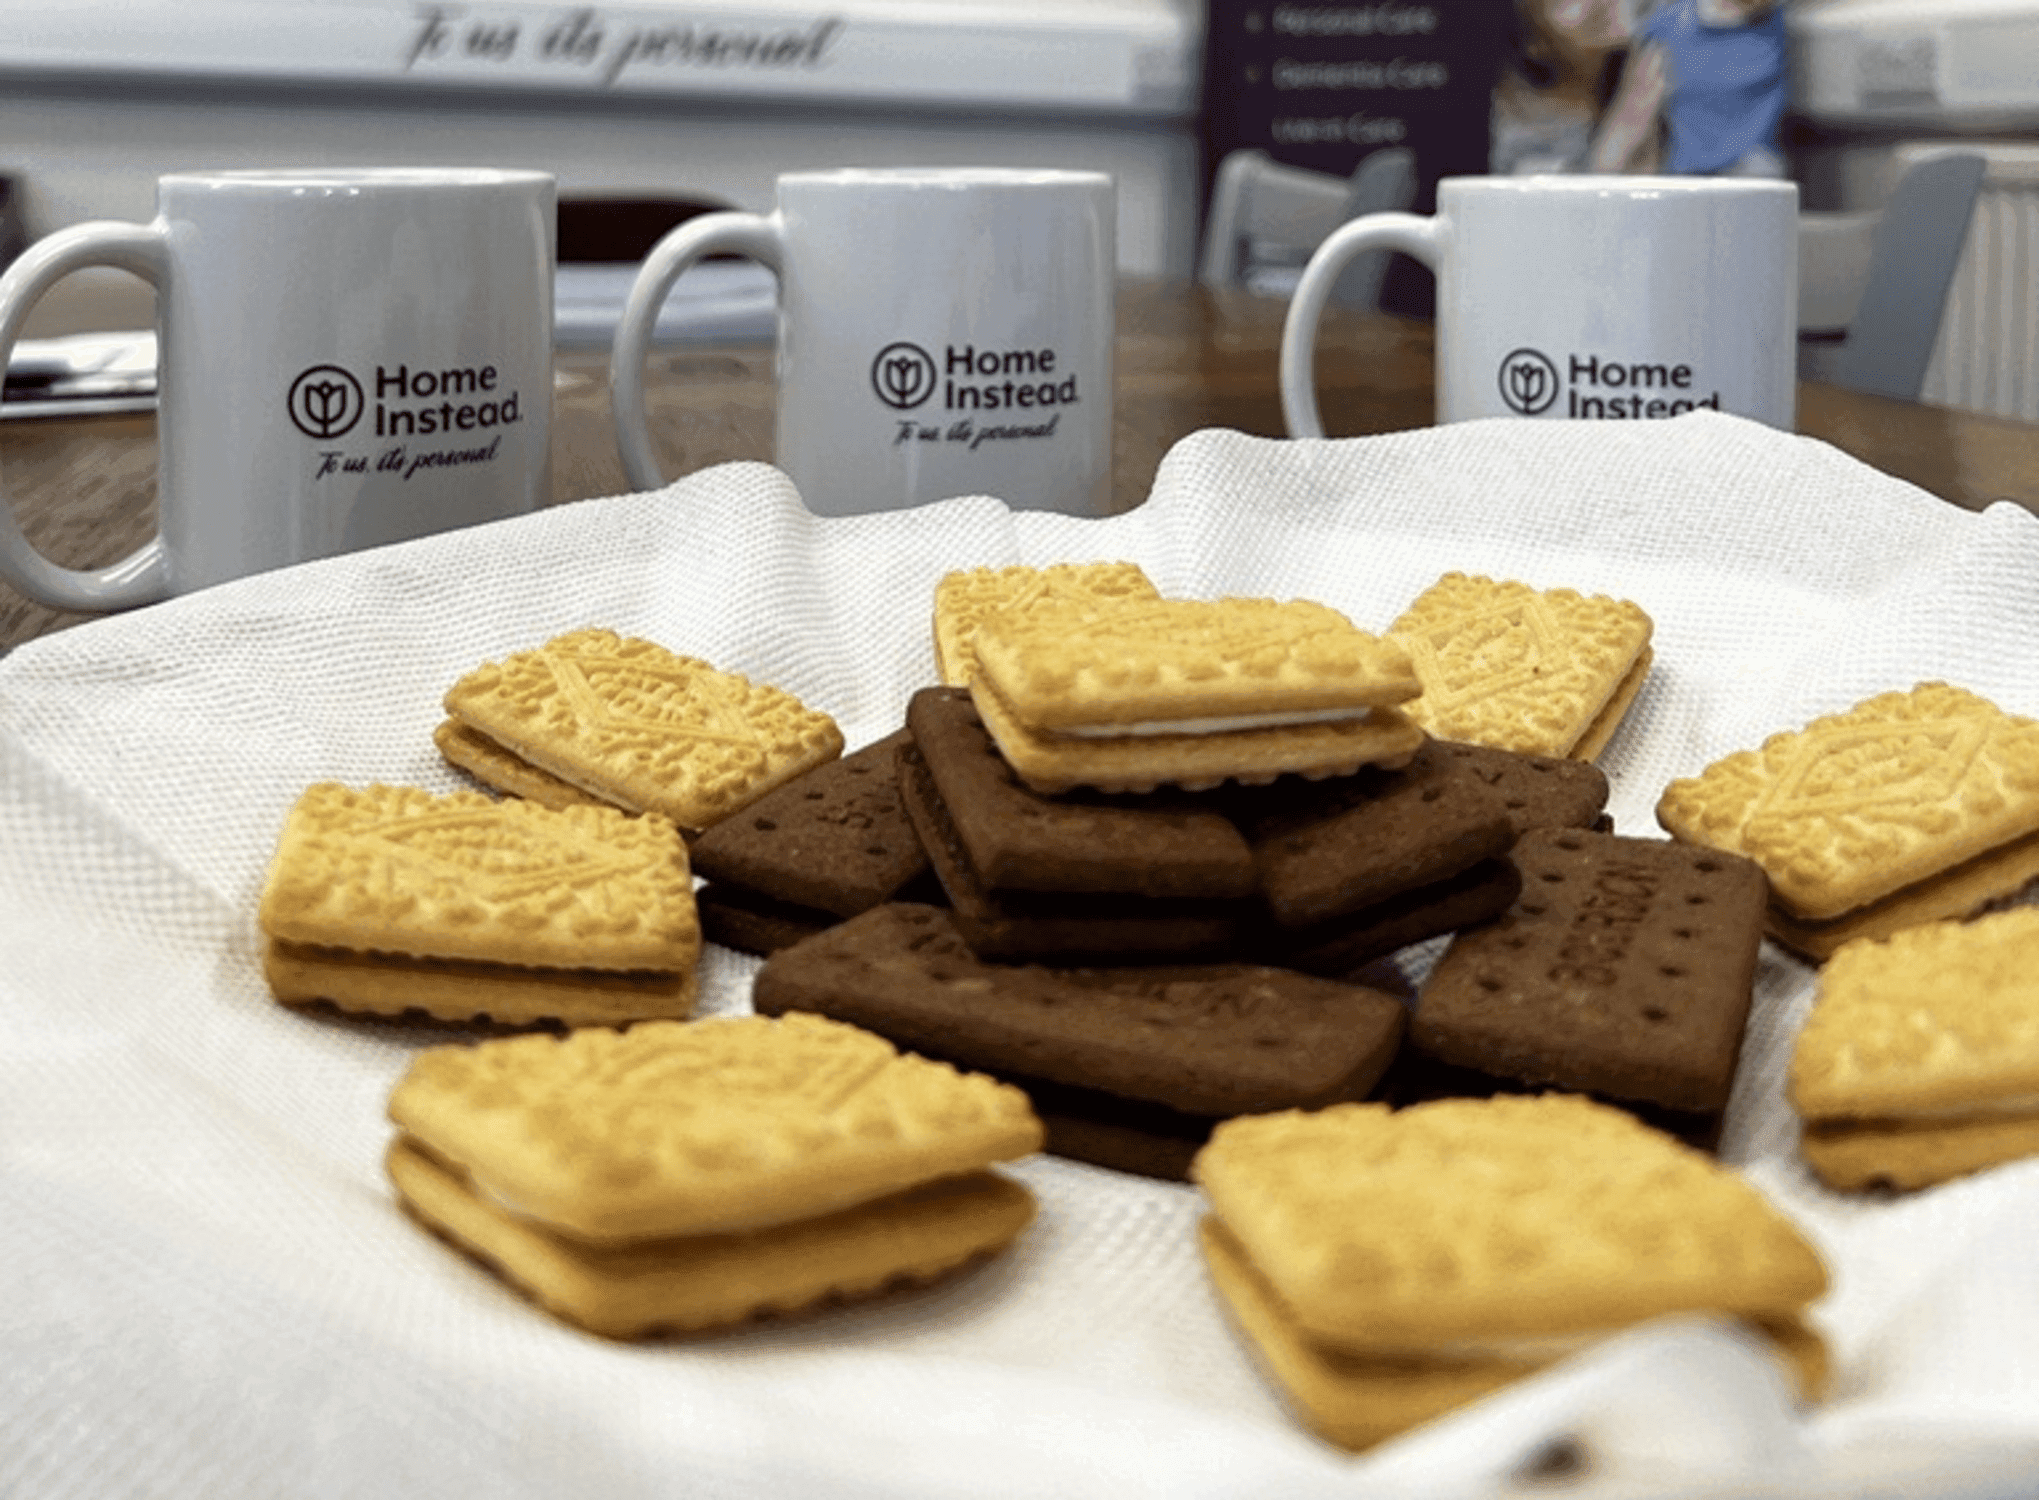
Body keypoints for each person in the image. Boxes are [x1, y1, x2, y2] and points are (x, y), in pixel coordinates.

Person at [1587, 0, 1789, 176]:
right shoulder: (1668, 27)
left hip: (1755, 171)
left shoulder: (1784, 25)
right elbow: (1634, 112)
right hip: (1683, 172)